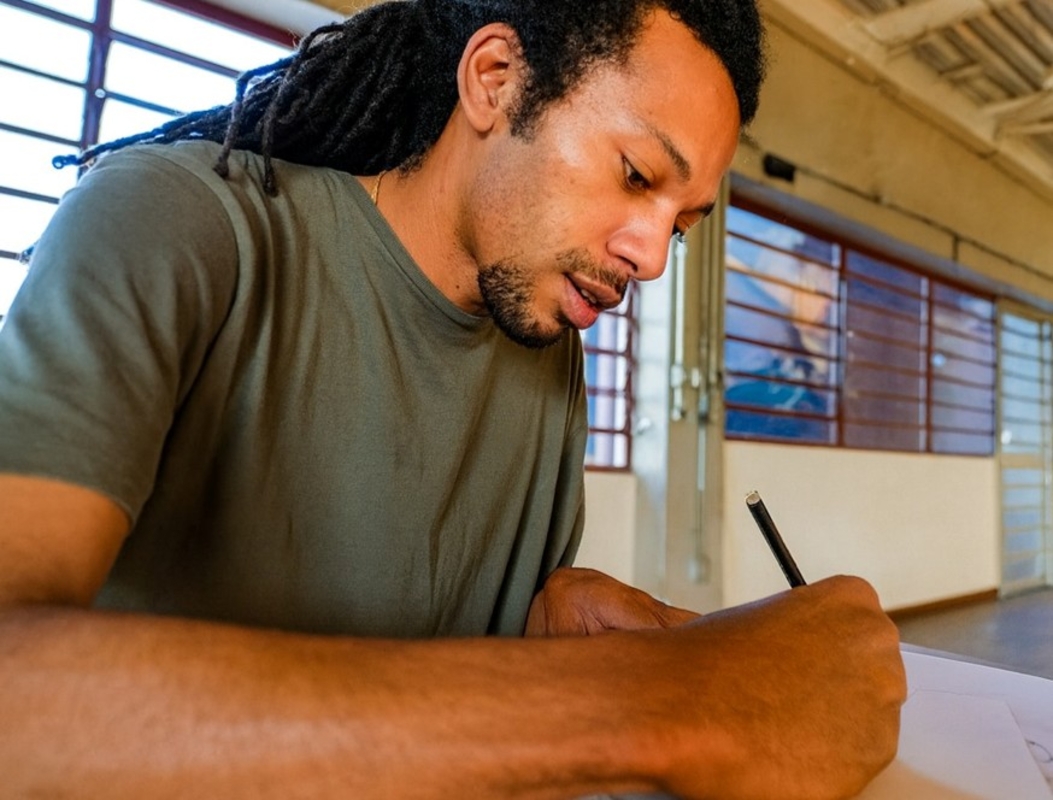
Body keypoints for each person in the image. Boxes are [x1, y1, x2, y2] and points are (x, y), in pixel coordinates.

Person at [0, 1, 906, 797]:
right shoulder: (181, 225)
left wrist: (541, 617)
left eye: (683, 220)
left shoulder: (544, 348)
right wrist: (658, 705)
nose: (653, 256)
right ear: (496, 79)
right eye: (635, 176)